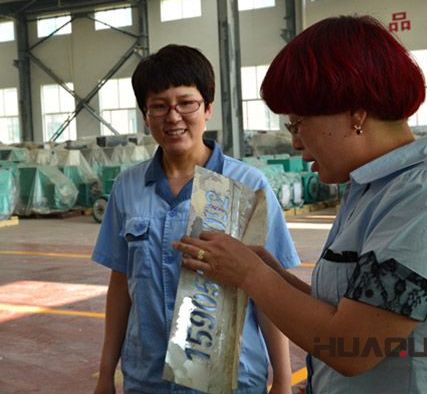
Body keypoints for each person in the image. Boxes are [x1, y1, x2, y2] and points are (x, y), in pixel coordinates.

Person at [174, 16, 427, 394]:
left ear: (356, 113)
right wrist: (271, 273)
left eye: (297, 123)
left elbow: (354, 347)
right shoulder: (370, 190)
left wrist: (251, 274)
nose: (295, 142)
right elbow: (344, 312)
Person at [91, 44, 300, 394]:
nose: (173, 117)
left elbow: (270, 289)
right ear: (146, 115)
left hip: (229, 381)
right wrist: (104, 375)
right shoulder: (128, 187)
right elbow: (121, 285)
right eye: (159, 106)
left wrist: (282, 379)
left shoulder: (248, 186)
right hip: (148, 379)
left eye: (186, 103)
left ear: (208, 108)